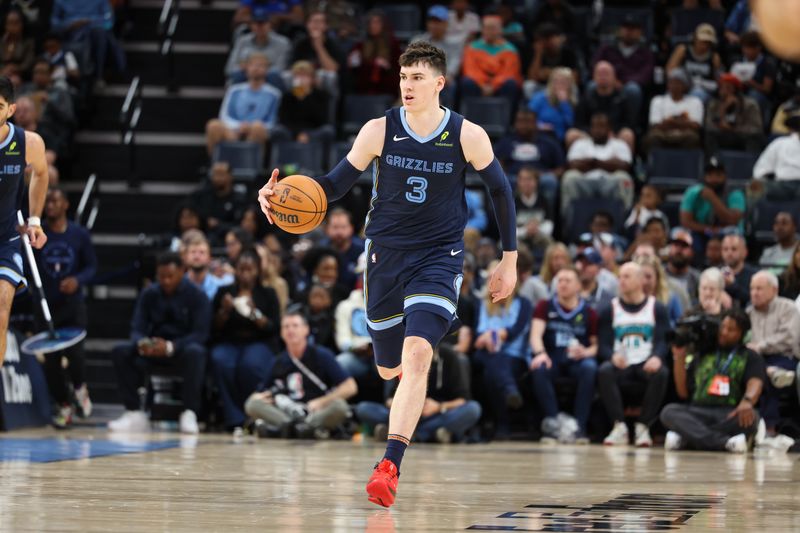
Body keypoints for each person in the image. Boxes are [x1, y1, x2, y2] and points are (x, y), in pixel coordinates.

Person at [258, 41, 517, 508]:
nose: (408, 86)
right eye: (403, 78)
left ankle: (389, 464)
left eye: (417, 78)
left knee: (418, 356)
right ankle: (404, 389)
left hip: (439, 257)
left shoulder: (467, 134)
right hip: (384, 259)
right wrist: (279, 200)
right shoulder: (379, 130)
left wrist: (510, 257)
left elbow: (500, 190)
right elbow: (333, 186)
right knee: (388, 366)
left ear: (439, 82)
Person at [108, 253, 211, 434]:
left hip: (181, 351)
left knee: (197, 352)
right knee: (120, 351)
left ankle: (189, 412)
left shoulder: (197, 295)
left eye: (170, 276)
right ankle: (134, 412)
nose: (165, 281)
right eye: (161, 276)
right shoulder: (149, 294)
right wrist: (144, 343)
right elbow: (137, 327)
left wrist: (171, 347)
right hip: (152, 351)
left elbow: (200, 334)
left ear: (182, 272)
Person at [661, 309, 765, 453]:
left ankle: (688, 437)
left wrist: (747, 401)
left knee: (752, 418)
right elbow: (683, 392)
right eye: (723, 327)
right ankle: (725, 442)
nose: (724, 332)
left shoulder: (750, 356)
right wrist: (679, 358)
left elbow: (755, 382)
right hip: (697, 411)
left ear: (742, 334)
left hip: (728, 413)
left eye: (731, 329)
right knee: (668, 412)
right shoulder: (703, 353)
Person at [244, 311, 357, 439]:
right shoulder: (278, 361)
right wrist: (263, 396)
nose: (290, 330)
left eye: (295, 325)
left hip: (315, 412)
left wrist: (322, 402)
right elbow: (259, 392)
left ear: (306, 329)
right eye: (286, 326)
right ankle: (300, 429)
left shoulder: (321, 355)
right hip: (288, 412)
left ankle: (289, 429)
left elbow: (350, 387)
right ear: (281, 333)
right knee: (251, 404)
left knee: (340, 407)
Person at [0, 75, 49, 366]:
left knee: (2, 306)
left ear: (10, 110)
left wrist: (35, 219)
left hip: (4, 240)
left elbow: (41, 174)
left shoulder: (28, 143)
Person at [38, 188, 96, 428]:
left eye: (55, 201)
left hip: (72, 306)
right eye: (47, 200)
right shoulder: (37, 232)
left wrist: (78, 280)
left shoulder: (79, 234)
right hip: (45, 306)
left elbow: (92, 266)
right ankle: (64, 406)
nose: (50, 205)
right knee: (50, 361)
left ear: (66, 205)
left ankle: (80, 387)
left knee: (75, 355)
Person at [597, 262, 670, 447]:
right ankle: (619, 426)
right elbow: (603, 344)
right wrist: (611, 357)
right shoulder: (610, 309)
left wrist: (657, 357)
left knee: (661, 372)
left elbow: (664, 340)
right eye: (620, 277)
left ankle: (643, 426)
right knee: (605, 370)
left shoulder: (656, 308)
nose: (621, 281)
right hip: (622, 364)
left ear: (639, 281)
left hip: (645, 363)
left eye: (626, 277)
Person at [211, 250, 279, 431]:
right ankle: (234, 418)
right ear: (235, 270)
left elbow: (274, 327)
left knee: (250, 365)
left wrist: (255, 314)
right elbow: (213, 327)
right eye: (241, 269)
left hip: (259, 342)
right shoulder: (224, 292)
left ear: (258, 270)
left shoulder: (267, 293)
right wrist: (224, 311)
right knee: (221, 361)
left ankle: (254, 415)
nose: (245, 274)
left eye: (250, 269)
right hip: (230, 341)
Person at [355, 347, 482, 444]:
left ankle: (405, 434)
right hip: (405, 413)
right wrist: (407, 404)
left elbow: (463, 399)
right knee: (364, 408)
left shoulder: (449, 356)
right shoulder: (405, 355)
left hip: (436, 414)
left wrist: (439, 406)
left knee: (473, 409)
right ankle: (429, 434)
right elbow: (389, 399)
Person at [530, 267, 598, 443]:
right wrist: (540, 353)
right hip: (553, 356)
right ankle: (553, 426)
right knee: (540, 367)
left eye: (568, 280)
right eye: (559, 280)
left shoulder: (589, 312)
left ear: (577, 286)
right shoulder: (544, 306)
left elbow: (596, 346)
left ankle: (580, 428)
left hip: (577, 360)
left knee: (590, 367)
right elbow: (535, 335)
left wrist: (586, 351)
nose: (563, 284)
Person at [746, 271, 800, 434]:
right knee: (756, 369)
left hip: (785, 357)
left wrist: (760, 346)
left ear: (774, 290)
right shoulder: (749, 312)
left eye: (759, 289)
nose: (754, 293)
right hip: (758, 358)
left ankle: (769, 427)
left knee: (761, 374)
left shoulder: (788, 308)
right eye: (752, 288)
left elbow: (788, 338)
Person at [560, 112, 635, 222]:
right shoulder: (580, 144)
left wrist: (595, 162)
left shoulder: (619, 144)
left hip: (609, 183)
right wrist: (608, 163)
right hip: (585, 182)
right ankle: (569, 220)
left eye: (601, 126)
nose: (598, 130)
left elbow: (625, 166)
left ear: (609, 128)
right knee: (569, 177)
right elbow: (572, 164)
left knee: (624, 179)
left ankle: (625, 220)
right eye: (595, 126)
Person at [205, 53, 281, 156]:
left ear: (267, 69)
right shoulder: (234, 90)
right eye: (253, 65)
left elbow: (272, 122)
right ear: (246, 68)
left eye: (260, 65)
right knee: (213, 125)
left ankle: (251, 167)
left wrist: (250, 127)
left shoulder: (274, 94)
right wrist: (238, 127)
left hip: (258, 131)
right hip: (233, 131)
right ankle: (218, 166)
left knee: (257, 127)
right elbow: (224, 115)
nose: (256, 68)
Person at [494, 109, 564, 207]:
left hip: (540, 178)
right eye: (520, 121)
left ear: (535, 123)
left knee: (550, 181)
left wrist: (542, 175)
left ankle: (548, 215)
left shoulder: (548, 142)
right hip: (514, 178)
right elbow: (496, 163)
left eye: (527, 121)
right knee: (498, 181)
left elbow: (560, 168)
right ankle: (504, 219)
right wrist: (507, 175)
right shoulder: (506, 142)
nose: (524, 125)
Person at [679, 157, 746, 257]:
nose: (714, 179)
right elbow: (685, 221)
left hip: (725, 231)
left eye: (718, 175)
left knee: (734, 231)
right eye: (710, 175)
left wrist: (712, 198)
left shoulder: (735, 193)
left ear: (725, 176)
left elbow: (732, 220)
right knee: (678, 233)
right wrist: (708, 229)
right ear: (704, 177)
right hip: (702, 230)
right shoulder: (693, 192)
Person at [569, 62, 637, 150]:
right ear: (594, 77)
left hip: (614, 136)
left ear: (614, 77)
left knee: (628, 134)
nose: (603, 77)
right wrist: (593, 132)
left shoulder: (622, 98)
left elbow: (629, 123)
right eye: (600, 74)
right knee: (571, 135)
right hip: (590, 136)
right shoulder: (586, 98)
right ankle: (575, 163)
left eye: (606, 74)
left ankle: (625, 163)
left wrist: (612, 132)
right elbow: (578, 123)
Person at [591, 14, 654, 107]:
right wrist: (612, 81)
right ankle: (594, 119)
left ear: (640, 32)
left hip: (630, 84)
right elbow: (595, 65)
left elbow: (646, 75)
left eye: (633, 29)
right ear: (620, 30)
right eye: (626, 28)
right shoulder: (607, 48)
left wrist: (624, 83)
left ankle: (631, 121)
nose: (629, 32)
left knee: (633, 90)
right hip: (608, 81)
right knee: (592, 86)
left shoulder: (645, 52)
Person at [460, 13, 522, 107]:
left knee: (511, 84)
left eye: (492, 28)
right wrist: (482, 85)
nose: (489, 31)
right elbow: (470, 70)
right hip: (479, 85)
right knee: (467, 82)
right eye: (486, 28)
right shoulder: (472, 48)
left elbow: (508, 73)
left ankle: (504, 119)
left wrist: (493, 86)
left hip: (499, 86)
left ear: (500, 30)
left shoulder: (510, 50)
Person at [410, 5, 464, 107]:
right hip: (421, 77)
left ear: (446, 24)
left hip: (443, 79)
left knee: (450, 84)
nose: (434, 25)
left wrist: (442, 76)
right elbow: (411, 61)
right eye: (432, 22)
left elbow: (454, 64)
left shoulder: (455, 43)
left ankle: (446, 116)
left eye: (438, 22)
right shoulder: (417, 41)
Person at [704, 73, 764, 155]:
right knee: (709, 136)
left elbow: (756, 128)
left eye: (728, 88)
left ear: (736, 90)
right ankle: (713, 163)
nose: (724, 91)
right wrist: (723, 109)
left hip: (742, 137)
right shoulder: (714, 104)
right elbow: (709, 126)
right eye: (721, 87)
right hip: (723, 136)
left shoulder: (750, 105)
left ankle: (750, 164)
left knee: (754, 139)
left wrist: (732, 129)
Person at [644, 68, 704, 151]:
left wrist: (671, 122)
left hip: (684, 135)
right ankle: (655, 162)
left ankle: (688, 163)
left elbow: (696, 126)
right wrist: (683, 123)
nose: (674, 85)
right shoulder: (658, 100)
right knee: (653, 137)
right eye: (671, 82)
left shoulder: (695, 102)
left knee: (693, 138)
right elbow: (655, 125)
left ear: (685, 85)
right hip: (663, 134)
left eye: (678, 83)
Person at [225, 9, 291, 83]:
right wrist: (250, 69)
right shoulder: (242, 41)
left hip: (270, 79)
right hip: (246, 78)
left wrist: (259, 69)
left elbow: (281, 68)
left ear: (270, 25)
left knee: (274, 75)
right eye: (256, 23)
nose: (259, 27)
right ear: (251, 25)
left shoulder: (282, 42)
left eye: (263, 23)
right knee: (237, 75)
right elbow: (230, 68)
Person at [347, 10, 401, 96]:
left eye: (376, 23)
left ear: (383, 25)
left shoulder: (393, 44)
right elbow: (355, 69)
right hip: (364, 88)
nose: (373, 26)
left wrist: (387, 66)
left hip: (386, 87)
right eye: (370, 23)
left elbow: (398, 70)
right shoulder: (360, 45)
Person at [666, 23, 722, 102]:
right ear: (695, 39)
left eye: (708, 43)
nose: (704, 46)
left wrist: (703, 84)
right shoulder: (683, 50)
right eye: (702, 41)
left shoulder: (714, 57)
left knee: (697, 94)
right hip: (683, 85)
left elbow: (718, 81)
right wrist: (685, 83)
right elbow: (670, 71)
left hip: (702, 89)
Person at [318, 208, 364, 290]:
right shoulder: (320, 250)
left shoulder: (363, 249)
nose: (339, 232)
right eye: (335, 227)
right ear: (327, 229)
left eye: (343, 227)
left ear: (351, 228)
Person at [527, 67, 576, 142]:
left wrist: (564, 104)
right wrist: (540, 126)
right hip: (540, 134)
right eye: (556, 81)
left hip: (560, 138)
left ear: (570, 85)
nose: (559, 85)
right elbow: (527, 118)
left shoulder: (572, 102)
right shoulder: (540, 98)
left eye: (563, 82)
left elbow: (570, 124)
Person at [665, 228, 701, 307]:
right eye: (676, 245)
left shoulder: (697, 278)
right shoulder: (659, 275)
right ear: (669, 248)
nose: (679, 249)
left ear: (692, 251)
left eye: (684, 246)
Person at [575, 247, 618, 312]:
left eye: (588, 264)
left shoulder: (607, 296)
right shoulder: (568, 290)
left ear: (599, 268)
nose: (583, 267)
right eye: (581, 263)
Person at [721, 233, 757, 307]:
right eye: (725, 249)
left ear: (745, 252)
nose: (729, 253)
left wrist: (733, 285)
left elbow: (753, 299)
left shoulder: (755, 275)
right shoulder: (716, 273)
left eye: (734, 249)